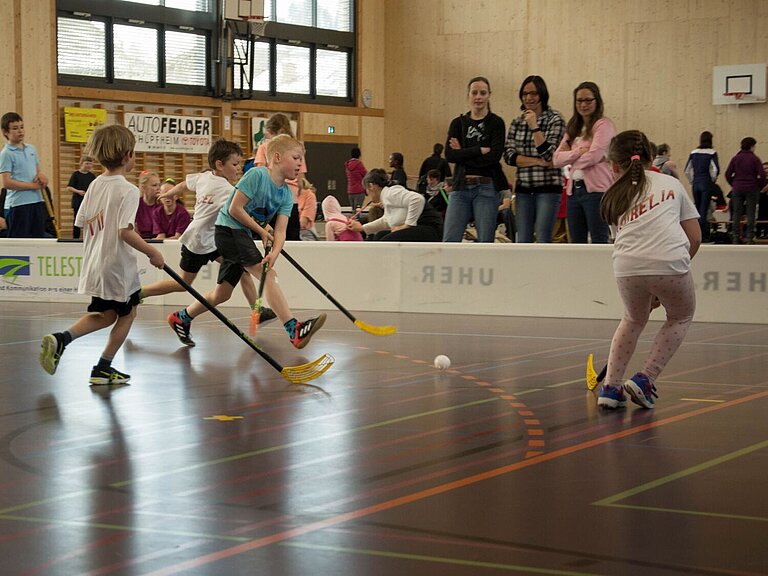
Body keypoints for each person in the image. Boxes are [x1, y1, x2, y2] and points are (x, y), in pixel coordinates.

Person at [167, 134, 325, 349]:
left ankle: (182, 317)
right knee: (267, 275)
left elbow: (280, 231)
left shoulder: (286, 194)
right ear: (277, 157)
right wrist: (261, 231)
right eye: (296, 157)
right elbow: (234, 209)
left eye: (301, 159)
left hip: (241, 234)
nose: (300, 164)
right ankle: (293, 329)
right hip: (228, 230)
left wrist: (274, 253)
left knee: (222, 293)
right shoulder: (257, 175)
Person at [38, 124, 164, 385]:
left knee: (106, 315)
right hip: (118, 267)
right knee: (128, 314)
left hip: (96, 263)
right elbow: (125, 232)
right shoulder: (128, 190)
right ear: (128, 155)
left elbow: (82, 223)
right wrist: (153, 252)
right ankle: (103, 367)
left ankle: (62, 339)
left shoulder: (95, 184)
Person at [597, 130, 701, 410]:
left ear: (615, 166)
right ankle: (645, 378)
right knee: (681, 315)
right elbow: (695, 238)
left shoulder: (614, 196)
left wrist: (652, 286)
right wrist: (672, 275)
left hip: (626, 266)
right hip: (668, 261)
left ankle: (611, 388)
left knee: (632, 319)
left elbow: (623, 238)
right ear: (650, 157)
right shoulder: (671, 183)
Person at [140, 139, 276, 327]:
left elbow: (184, 185)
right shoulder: (228, 191)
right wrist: (265, 228)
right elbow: (243, 212)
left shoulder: (203, 177)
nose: (239, 169)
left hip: (216, 242)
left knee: (243, 270)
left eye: (240, 164)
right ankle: (140, 293)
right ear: (219, 165)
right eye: (235, 164)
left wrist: (172, 193)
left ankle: (257, 310)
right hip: (197, 241)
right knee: (182, 284)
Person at [442, 76, 507, 243]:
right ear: (468, 95)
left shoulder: (496, 123)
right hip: (460, 186)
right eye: (475, 92)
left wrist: (462, 153)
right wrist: (478, 150)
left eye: (483, 93)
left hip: (486, 187)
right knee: (450, 238)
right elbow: (449, 155)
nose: (478, 97)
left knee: (485, 239)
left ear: (489, 96)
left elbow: (494, 157)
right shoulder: (458, 123)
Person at [504, 76, 566, 243]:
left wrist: (534, 126)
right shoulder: (517, 122)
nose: (529, 98)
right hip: (524, 190)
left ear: (542, 95)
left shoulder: (555, 119)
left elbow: (550, 155)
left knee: (543, 236)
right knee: (522, 239)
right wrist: (538, 162)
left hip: (548, 189)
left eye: (533, 93)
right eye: (525, 94)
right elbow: (509, 156)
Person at [553, 81, 614, 244]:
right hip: (574, 192)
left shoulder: (603, 125)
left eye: (588, 100)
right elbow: (556, 159)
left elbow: (594, 156)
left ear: (597, 101)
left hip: (597, 191)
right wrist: (579, 152)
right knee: (576, 241)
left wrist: (571, 158)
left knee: (598, 239)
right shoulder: (573, 127)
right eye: (579, 101)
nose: (583, 105)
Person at [348, 168, 442, 242]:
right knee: (379, 236)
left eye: (366, 190)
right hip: (426, 228)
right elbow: (386, 221)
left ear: (371, 186)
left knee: (386, 242)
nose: (367, 194)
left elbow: (417, 199)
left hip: (430, 228)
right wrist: (362, 228)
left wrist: (407, 225)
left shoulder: (391, 193)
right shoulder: (387, 196)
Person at [254, 113, 305, 241]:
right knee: (292, 239)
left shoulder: (265, 147)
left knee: (268, 238)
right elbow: (300, 181)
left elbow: (261, 173)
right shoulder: (297, 149)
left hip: (270, 200)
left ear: (270, 130)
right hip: (291, 201)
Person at [0, 112, 49, 238]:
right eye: (15, 128)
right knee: (20, 244)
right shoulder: (6, 154)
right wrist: (32, 186)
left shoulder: (31, 149)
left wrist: (42, 176)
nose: (20, 131)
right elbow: (7, 183)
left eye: (22, 127)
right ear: (6, 132)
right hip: (18, 205)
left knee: (38, 240)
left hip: (37, 201)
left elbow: (37, 172)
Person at [724, 137, 766, 244]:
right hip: (751, 188)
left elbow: (728, 174)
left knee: (737, 213)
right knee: (750, 213)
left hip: (737, 188)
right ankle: (749, 237)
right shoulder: (755, 159)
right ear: (752, 146)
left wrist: (733, 183)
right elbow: (762, 175)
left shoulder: (736, 158)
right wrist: (759, 186)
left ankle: (735, 236)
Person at [684, 131, 720, 242]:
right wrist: (712, 181)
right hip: (706, 183)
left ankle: (695, 236)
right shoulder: (712, 153)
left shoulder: (694, 152)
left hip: (696, 183)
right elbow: (715, 169)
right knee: (704, 210)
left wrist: (692, 181)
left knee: (697, 210)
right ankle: (703, 236)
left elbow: (686, 170)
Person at [66, 155, 96, 239]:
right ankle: (75, 238)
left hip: (89, 201)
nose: (89, 166)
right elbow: (69, 187)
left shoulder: (92, 176)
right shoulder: (76, 174)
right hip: (78, 200)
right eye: (87, 163)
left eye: (90, 164)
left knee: (90, 219)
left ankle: (89, 237)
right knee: (77, 219)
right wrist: (78, 192)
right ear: (81, 163)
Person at [135, 170, 161, 239]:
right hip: (140, 240)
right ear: (143, 188)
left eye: (159, 185)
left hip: (159, 240)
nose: (158, 188)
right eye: (154, 185)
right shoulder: (136, 204)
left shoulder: (162, 205)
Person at [345, 147, 367, 213]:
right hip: (359, 190)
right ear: (359, 155)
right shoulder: (359, 164)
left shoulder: (347, 165)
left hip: (350, 191)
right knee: (358, 211)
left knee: (353, 210)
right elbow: (366, 175)